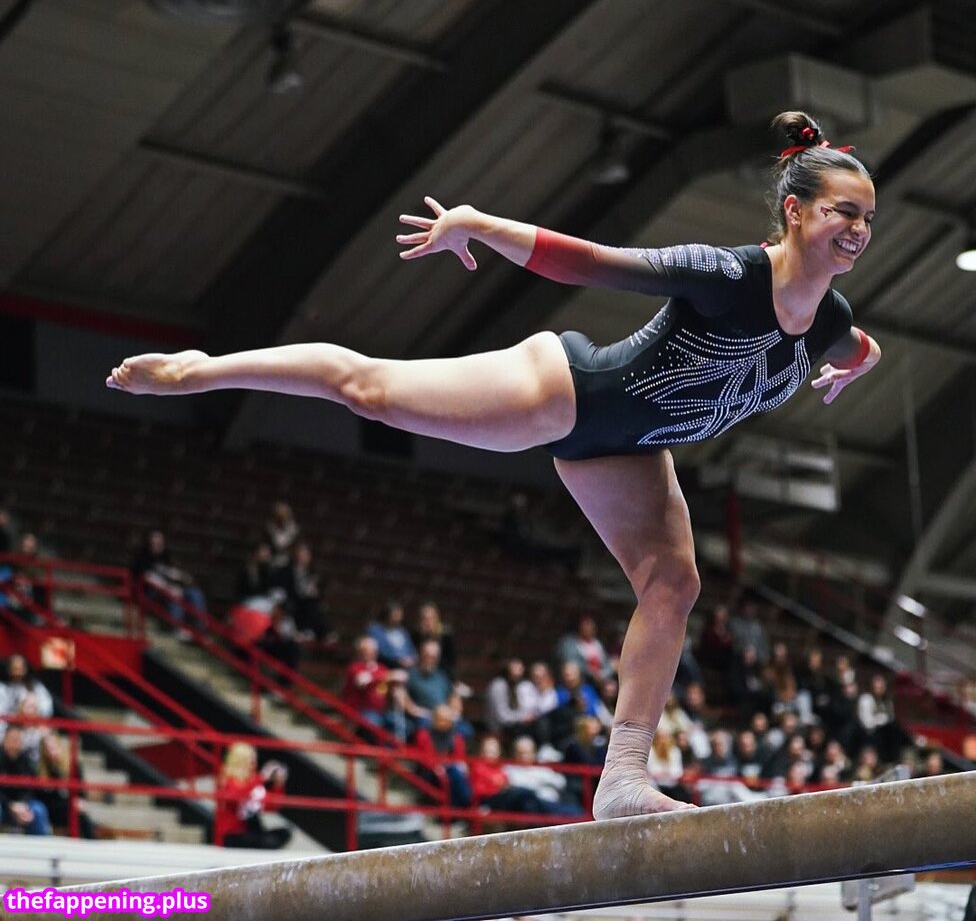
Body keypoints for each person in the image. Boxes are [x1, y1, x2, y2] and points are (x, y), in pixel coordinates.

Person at [105, 111, 880, 819]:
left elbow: (857, 346)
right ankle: (200, 369)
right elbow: (590, 263)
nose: (858, 230)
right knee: (370, 392)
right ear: (794, 211)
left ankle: (622, 777)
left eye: (868, 219)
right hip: (567, 392)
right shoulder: (728, 276)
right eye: (842, 212)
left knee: (675, 584)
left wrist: (861, 363)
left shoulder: (832, 320)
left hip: (633, 450)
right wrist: (478, 223)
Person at [217, 743, 291, 849]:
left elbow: (271, 806)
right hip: (232, 834)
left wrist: (278, 785)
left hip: (251, 830)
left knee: (284, 833)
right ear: (240, 761)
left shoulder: (253, 780)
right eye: (251, 760)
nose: (254, 764)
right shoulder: (227, 780)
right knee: (268, 842)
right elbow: (237, 798)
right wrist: (261, 778)